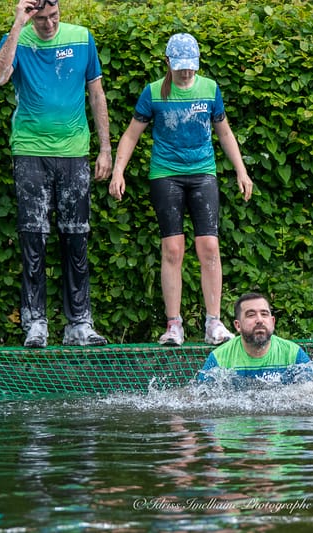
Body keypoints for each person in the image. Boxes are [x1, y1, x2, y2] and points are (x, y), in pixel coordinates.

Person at [108, 33, 253, 347]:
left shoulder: (210, 89)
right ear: (168, 62)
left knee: (209, 248)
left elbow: (224, 132)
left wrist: (242, 171)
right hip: (166, 174)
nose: (187, 72)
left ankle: (214, 323)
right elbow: (131, 135)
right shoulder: (152, 93)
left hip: (202, 173)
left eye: (191, 66)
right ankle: (174, 325)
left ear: (198, 63)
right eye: (180, 67)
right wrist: (118, 171)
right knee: (173, 250)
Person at [0, 0, 112, 348]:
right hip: (30, 150)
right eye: (40, 18)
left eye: (53, 16)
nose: (48, 24)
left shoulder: (81, 38)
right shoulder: (19, 38)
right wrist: (17, 23)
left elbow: (96, 94)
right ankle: (35, 323)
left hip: (74, 151)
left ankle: (79, 324)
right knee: (33, 237)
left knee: (76, 236)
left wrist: (105, 148)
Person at [196, 292, 313, 384]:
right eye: (251, 315)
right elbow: (200, 398)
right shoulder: (219, 358)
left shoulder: (292, 353)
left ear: (272, 322)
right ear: (238, 325)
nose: (259, 320)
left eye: (264, 314)